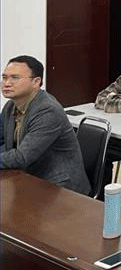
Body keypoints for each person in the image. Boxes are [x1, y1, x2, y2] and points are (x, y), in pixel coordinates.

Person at [1, 56, 90, 194]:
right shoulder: (10, 106)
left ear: (36, 82)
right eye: (4, 77)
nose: (6, 83)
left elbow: (22, 157)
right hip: (28, 177)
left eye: (15, 78)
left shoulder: (48, 110)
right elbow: (2, 142)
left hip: (60, 188)